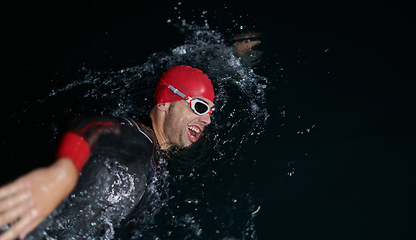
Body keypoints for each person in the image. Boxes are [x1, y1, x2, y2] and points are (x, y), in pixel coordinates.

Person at [0, 65, 215, 240]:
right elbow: (89, 125)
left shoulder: (155, 162)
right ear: (165, 103)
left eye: (210, 112)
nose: (207, 120)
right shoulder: (137, 135)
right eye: (199, 107)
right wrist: (62, 172)